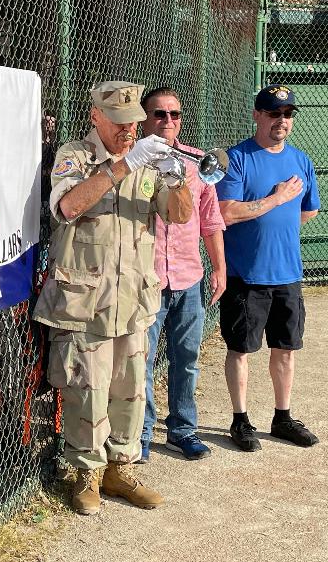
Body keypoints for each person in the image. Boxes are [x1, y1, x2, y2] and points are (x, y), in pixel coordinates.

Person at [33, 80, 193, 516]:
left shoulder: (148, 161)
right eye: (120, 123)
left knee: (130, 388)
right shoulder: (75, 156)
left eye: (134, 124)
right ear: (96, 117)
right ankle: (86, 473)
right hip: (85, 303)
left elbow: (178, 216)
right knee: (87, 388)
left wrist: (176, 180)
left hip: (134, 299)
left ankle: (120, 469)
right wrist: (122, 166)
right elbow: (67, 207)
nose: (129, 132)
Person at [216, 84, 320, 452]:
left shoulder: (301, 161)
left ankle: (282, 417)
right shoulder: (238, 158)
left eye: (288, 114)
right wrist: (275, 200)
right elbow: (225, 212)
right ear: (257, 115)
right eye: (274, 113)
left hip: (287, 274)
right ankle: (240, 420)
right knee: (241, 349)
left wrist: (274, 223)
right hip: (247, 275)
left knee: (285, 349)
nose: (282, 121)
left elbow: (308, 210)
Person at [137, 87, 226, 462]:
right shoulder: (130, 162)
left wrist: (219, 267)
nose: (167, 121)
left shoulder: (196, 164)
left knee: (186, 357)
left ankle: (182, 430)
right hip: (146, 278)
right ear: (144, 119)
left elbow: (210, 220)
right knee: (141, 360)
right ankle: (139, 437)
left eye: (174, 115)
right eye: (159, 114)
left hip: (189, 275)